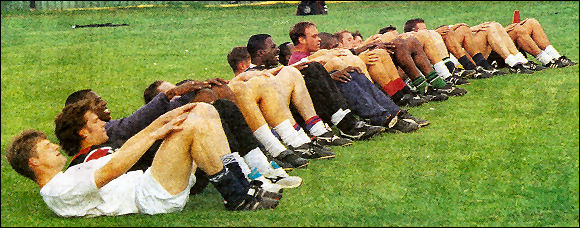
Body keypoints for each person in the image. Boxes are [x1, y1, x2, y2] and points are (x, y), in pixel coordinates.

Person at [6, 101, 278, 217]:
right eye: (45, 147)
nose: (54, 147)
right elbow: (114, 168)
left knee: (202, 109)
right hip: (150, 197)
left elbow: (123, 153)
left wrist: (162, 120)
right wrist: (157, 133)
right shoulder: (57, 191)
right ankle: (237, 197)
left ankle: (245, 187)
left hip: (151, 185)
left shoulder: (66, 178)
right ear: (34, 162)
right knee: (189, 127)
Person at [144, 79, 303, 189]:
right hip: (193, 172)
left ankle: (261, 166)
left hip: (208, 160)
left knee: (224, 105)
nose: (177, 95)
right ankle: (246, 176)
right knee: (213, 113)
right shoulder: (156, 123)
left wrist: (205, 85)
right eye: (172, 94)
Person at [248, 32, 387, 140]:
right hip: (288, 118)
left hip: (305, 109)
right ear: (260, 52)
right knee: (324, 70)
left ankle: (377, 113)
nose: (277, 50)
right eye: (273, 47)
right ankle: (354, 121)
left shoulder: (275, 70)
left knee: (334, 71)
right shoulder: (252, 76)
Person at [318, 32, 429, 130]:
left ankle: (397, 108)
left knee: (359, 66)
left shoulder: (314, 55)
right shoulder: (315, 55)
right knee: (352, 66)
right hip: (322, 97)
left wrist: (362, 47)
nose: (317, 39)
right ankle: (385, 117)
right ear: (301, 39)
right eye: (313, 36)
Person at [376, 25, 467, 97]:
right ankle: (422, 86)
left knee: (413, 41)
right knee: (392, 38)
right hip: (378, 68)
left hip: (389, 60)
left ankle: (439, 80)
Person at [404, 18, 500, 79]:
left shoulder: (435, 36)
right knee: (489, 29)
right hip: (439, 64)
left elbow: (449, 29)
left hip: (454, 57)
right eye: (424, 30)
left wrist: (469, 28)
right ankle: (474, 67)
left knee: (462, 29)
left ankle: (478, 66)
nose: (427, 32)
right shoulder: (413, 42)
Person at [503, 17, 576, 68]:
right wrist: (506, 29)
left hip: (502, 37)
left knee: (531, 22)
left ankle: (556, 56)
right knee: (517, 29)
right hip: (495, 47)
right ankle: (547, 60)